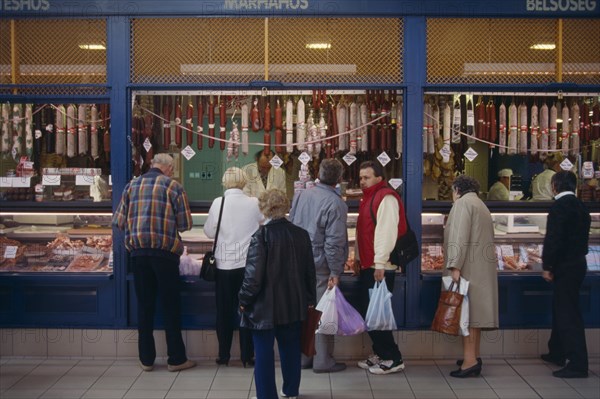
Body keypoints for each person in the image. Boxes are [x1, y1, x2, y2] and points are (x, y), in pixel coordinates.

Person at [113, 153, 196, 372]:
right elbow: (185, 224)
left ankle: (146, 360)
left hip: (139, 254)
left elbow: (118, 221)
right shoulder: (173, 187)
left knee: (145, 306)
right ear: (168, 168)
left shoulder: (132, 185)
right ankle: (176, 359)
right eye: (172, 169)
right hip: (165, 255)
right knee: (171, 306)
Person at [239, 189, 317, 399]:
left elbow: (253, 277)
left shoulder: (261, 236)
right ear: (286, 207)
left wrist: (243, 299)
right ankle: (291, 390)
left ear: (263, 208)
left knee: (263, 353)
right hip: (294, 303)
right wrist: (310, 300)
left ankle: (266, 395)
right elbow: (310, 272)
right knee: (291, 349)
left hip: (264, 307)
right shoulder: (301, 234)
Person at [289, 159, 348, 374]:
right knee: (322, 312)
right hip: (320, 265)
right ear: (339, 179)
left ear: (318, 174)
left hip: (298, 263)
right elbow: (334, 242)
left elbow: (292, 225)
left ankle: (305, 356)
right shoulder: (336, 203)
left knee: (305, 311)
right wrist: (335, 271)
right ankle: (323, 360)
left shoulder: (301, 195)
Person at [204, 167, 264, 367]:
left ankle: (224, 355)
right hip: (249, 267)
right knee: (247, 310)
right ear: (244, 182)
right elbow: (265, 222)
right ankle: (248, 356)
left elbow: (208, 232)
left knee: (224, 312)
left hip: (223, 266)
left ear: (224, 182)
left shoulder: (217, 203)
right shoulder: (254, 202)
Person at [353, 160, 405, 375]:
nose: (362, 181)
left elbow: (386, 233)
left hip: (380, 267)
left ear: (378, 178)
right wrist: (358, 257)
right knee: (370, 313)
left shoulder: (387, 198)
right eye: (361, 177)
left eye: (366, 177)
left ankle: (393, 358)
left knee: (378, 315)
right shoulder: (369, 198)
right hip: (370, 264)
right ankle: (380, 353)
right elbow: (363, 231)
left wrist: (380, 263)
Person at [444, 175, 498, 378]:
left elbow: (459, 235)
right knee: (476, 317)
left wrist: (454, 265)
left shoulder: (462, 204)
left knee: (468, 317)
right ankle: (474, 355)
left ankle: (469, 362)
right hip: (480, 269)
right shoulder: (480, 204)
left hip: (468, 270)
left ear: (457, 189)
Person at [541, 171, 590, 379]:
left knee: (568, 314)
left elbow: (554, 239)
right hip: (579, 263)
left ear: (554, 186)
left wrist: (548, 265)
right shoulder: (581, 206)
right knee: (561, 307)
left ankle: (578, 364)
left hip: (564, 266)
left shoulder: (560, 207)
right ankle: (557, 352)